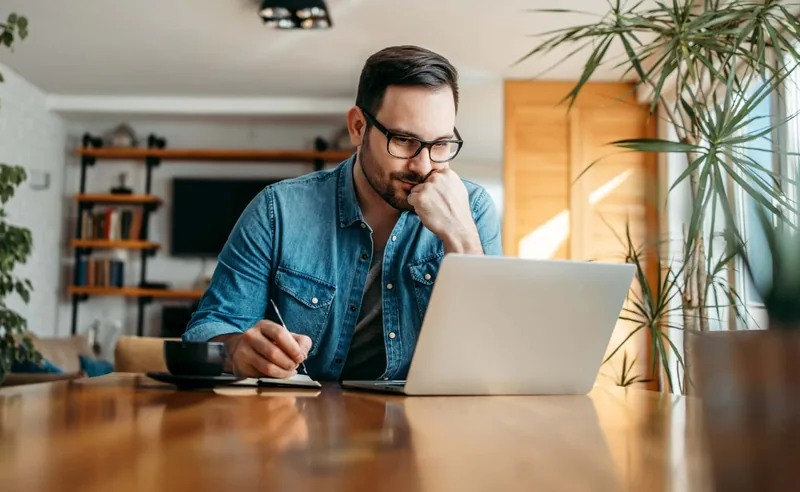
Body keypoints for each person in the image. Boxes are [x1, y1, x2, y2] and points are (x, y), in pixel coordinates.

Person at [182, 45, 502, 381]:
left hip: (423, 425)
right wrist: (235, 351)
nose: (423, 165)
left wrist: (463, 239)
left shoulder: (473, 209)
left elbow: (493, 355)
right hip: (299, 420)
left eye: (440, 144)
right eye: (404, 140)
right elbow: (207, 330)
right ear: (358, 128)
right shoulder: (278, 210)